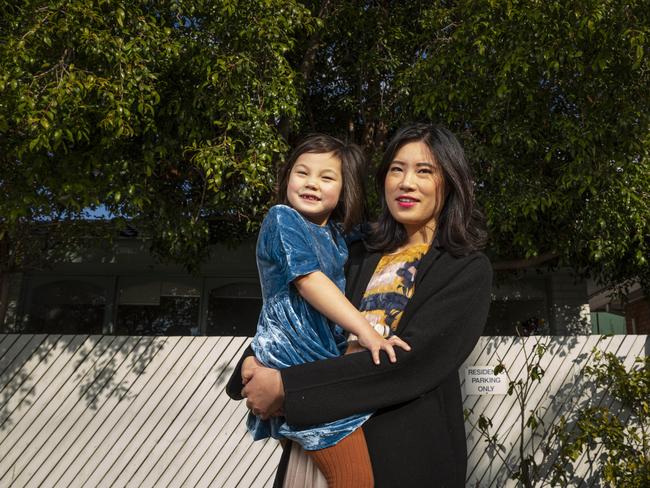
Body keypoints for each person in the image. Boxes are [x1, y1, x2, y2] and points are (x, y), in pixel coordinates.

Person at [227, 123, 492, 487]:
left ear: (450, 183)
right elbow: (304, 313)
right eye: (396, 169)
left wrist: (288, 387)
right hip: (318, 446)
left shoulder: (465, 270)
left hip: (406, 456)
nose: (406, 182)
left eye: (424, 171)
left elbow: (410, 365)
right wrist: (252, 362)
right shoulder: (354, 251)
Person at [246, 133, 410, 488]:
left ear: (343, 189)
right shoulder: (282, 219)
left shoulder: (337, 235)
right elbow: (309, 281)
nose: (311, 183)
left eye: (326, 177)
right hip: (293, 357)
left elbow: (384, 228)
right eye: (302, 172)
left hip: (319, 359)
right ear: (287, 177)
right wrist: (367, 331)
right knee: (352, 478)